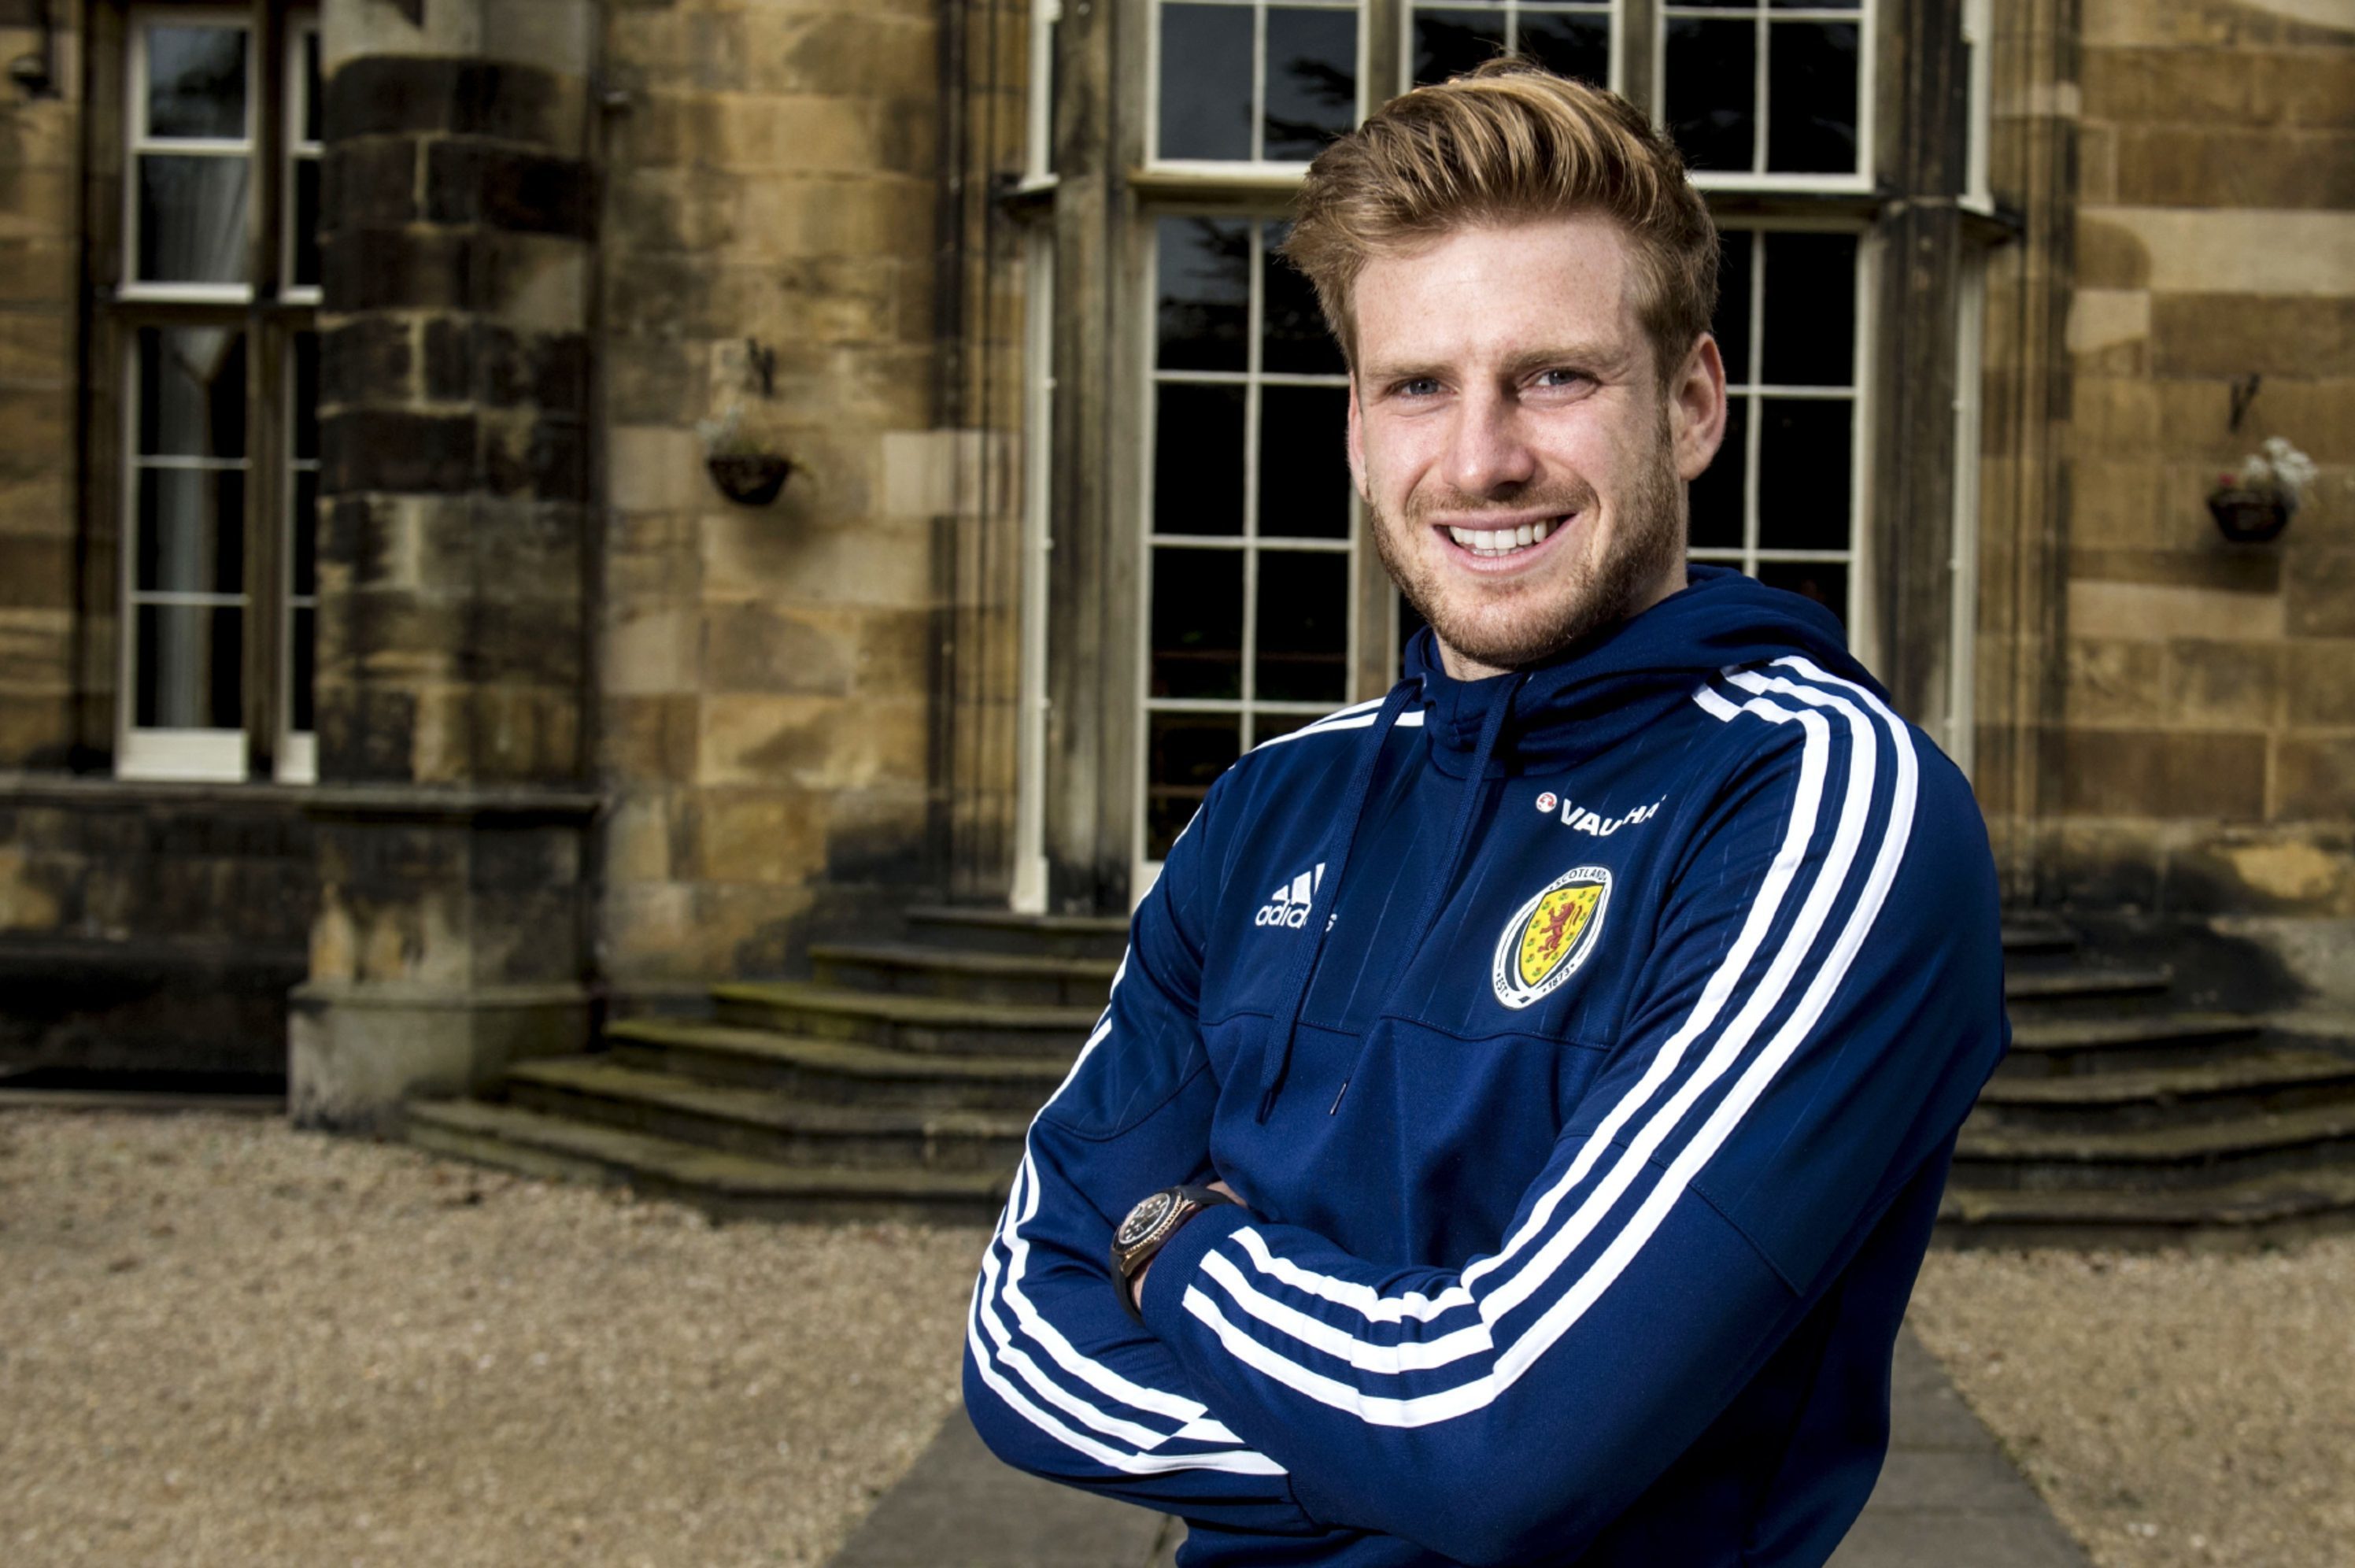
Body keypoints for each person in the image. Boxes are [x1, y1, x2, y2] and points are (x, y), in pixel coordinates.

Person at [963, 59, 2006, 1568]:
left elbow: (1502, 1439)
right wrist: (1415, 1449)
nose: (1480, 458)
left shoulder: (1818, 805)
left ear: (1695, 404)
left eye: (1555, 376)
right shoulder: (1268, 805)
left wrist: (1169, 1242)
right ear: (1357, 429)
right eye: (1418, 386)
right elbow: (1017, 1352)